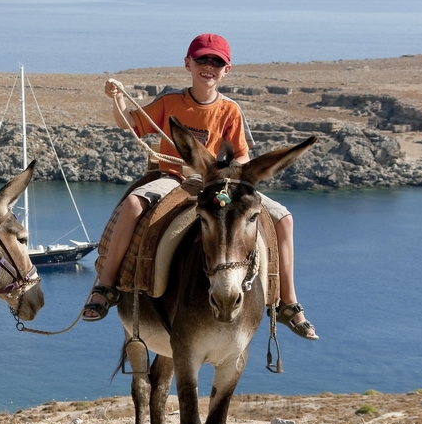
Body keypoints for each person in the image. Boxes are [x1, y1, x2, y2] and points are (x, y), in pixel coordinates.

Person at [81, 33, 319, 340]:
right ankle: (106, 287)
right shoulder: (169, 102)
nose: (208, 66)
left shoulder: (229, 110)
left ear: (226, 70)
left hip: (217, 181)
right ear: (188, 64)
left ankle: (287, 302)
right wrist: (115, 98)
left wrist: (233, 173)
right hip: (173, 178)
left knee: (284, 218)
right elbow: (129, 123)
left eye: (216, 62)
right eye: (202, 60)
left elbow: (242, 153)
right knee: (132, 204)